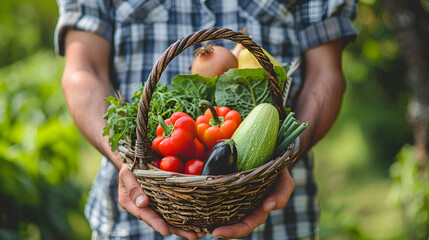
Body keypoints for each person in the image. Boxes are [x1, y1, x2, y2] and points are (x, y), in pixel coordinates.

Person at [55, 0, 357, 239]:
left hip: (279, 216)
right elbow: (83, 72)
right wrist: (127, 162)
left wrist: (280, 159)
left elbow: (326, 74)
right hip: (134, 219)